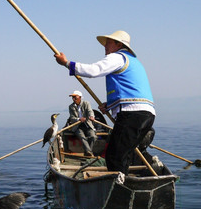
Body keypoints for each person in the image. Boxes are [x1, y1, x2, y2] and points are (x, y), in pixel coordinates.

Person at [54, 30, 155, 174]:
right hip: (146, 115)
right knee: (124, 154)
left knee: (114, 156)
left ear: (118, 44)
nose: (105, 47)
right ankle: (124, 180)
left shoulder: (118, 57)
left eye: (108, 43)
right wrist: (111, 104)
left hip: (132, 114)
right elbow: (131, 90)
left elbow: (94, 70)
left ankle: (119, 189)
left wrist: (66, 63)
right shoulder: (134, 61)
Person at [66, 90, 98, 157]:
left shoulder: (86, 103)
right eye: (73, 98)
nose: (74, 99)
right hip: (77, 125)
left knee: (93, 137)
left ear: (80, 97)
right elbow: (72, 118)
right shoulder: (71, 106)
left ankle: (88, 152)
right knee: (82, 137)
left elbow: (90, 111)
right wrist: (79, 119)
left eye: (75, 97)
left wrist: (92, 116)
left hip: (87, 124)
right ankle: (89, 152)